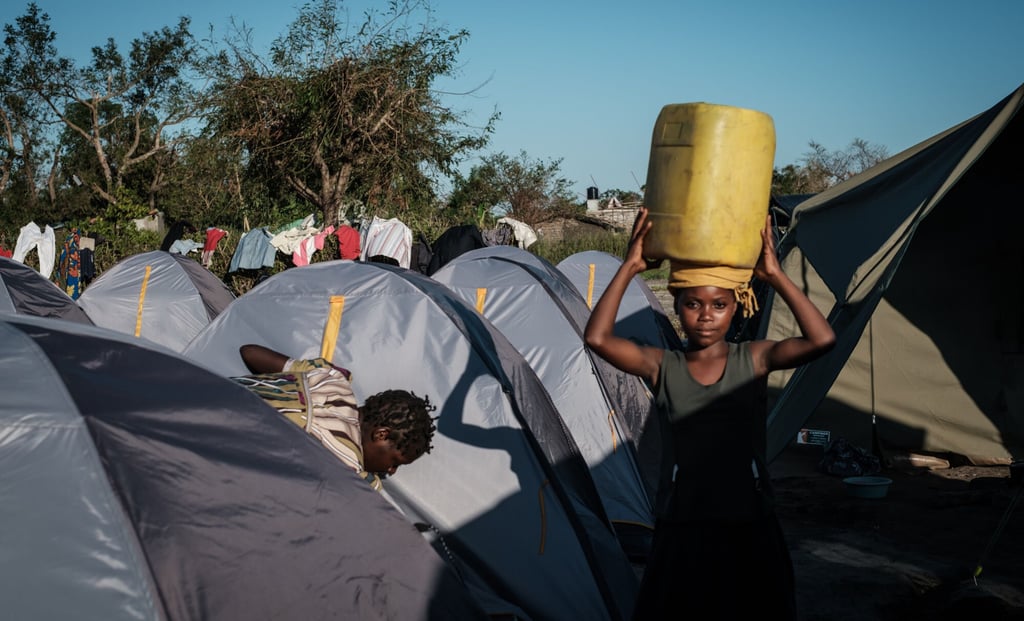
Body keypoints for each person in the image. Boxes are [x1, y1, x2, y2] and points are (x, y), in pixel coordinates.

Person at [584, 207, 836, 620]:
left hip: (748, 522)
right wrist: (630, 265)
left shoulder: (752, 359)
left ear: (735, 308)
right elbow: (597, 337)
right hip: (683, 526)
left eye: (719, 304)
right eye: (693, 304)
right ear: (676, 308)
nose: (705, 315)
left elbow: (822, 338)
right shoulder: (661, 366)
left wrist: (774, 275)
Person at [234, 344, 437, 491]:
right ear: (382, 434)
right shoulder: (354, 476)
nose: (391, 471)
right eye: (396, 462)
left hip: (216, 400)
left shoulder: (332, 380)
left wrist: (323, 371)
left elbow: (249, 352)